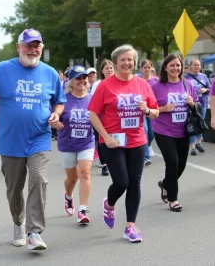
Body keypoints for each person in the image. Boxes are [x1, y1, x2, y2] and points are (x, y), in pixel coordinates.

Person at [0, 29, 66, 251]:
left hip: (39, 137)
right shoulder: (3, 69)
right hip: (10, 141)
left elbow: (59, 101)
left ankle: (34, 232)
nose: (33, 49)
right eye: (28, 45)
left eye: (36, 45)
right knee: (14, 189)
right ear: (18, 47)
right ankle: (18, 222)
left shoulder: (49, 73)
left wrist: (56, 113)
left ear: (41, 47)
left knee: (39, 180)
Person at [88, 44, 159, 243]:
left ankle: (130, 226)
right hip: (112, 141)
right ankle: (109, 204)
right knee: (122, 182)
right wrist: (106, 137)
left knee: (134, 182)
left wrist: (147, 110)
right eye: (123, 60)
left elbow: (155, 112)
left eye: (130, 59)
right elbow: (93, 113)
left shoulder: (142, 84)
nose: (127, 63)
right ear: (116, 63)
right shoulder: (105, 85)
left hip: (137, 139)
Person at [152, 54, 199, 212]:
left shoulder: (187, 84)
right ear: (165, 67)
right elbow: (148, 110)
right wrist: (164, 109)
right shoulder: (157, 87)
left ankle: (165, 184)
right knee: (172, 162)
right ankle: (173, 199)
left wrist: (192, 104)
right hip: (163, 130)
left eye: (178, 65)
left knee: (181, 164)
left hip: (183, 130)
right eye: (172, 65)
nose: (175, 68)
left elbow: (197, 104)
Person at [52, 66, 94, 224]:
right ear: (71, 81)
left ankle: (83, 210)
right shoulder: (63, 99)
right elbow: (53, 116)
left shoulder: (92, 98)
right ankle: (68, 196)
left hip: (86, 142)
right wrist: (54, 122)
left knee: (85, 173)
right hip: (67, 143)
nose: (82, 81)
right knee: (72, 178)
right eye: (78, 78)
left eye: (84, 77)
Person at [91, 59, 115, 176]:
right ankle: (104, 164)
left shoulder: (118, 82)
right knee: (101, 140)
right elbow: (94, 103)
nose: (109, 70)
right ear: (102, 71)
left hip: (114, 118)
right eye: (107, 68)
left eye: (111, 68)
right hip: (100, 117)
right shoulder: (98, 84)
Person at [184, 59, 210, 156]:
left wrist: (205, 90)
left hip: (202, 104)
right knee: (192, 124)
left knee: (200, 123)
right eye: (195, 65)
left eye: (198, 65)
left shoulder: (204, 76)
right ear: (190, 67)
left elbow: (210, 89)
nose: (197, 67)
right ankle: (193, 147)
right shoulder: (186, 78)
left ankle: (199, 143)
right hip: (191, 105)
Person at [140, 59, 159, 166]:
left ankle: (148, 145)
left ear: (152, 68)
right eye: (145, 67)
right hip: (142, 110)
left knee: (151, 133)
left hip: (152, 110)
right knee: (145, 131)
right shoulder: (138, 80)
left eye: (149, 67)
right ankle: (146, 157)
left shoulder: (156, 81)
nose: (147, 69)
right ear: (141, 69)